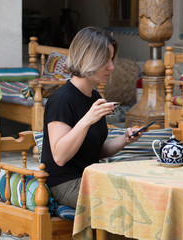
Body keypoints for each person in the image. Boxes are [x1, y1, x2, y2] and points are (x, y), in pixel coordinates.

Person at [41, 26, 142, 209]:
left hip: (90, 176)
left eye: (111, 59)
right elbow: (60, 157)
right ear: (88, 59)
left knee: (141, 188)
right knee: (126, 200)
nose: (111, 67)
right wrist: (87, 120)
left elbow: (95, 150)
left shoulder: (95, 97)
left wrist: (124, 139)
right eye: (106, 60)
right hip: (64, 185)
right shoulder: (61, 100)